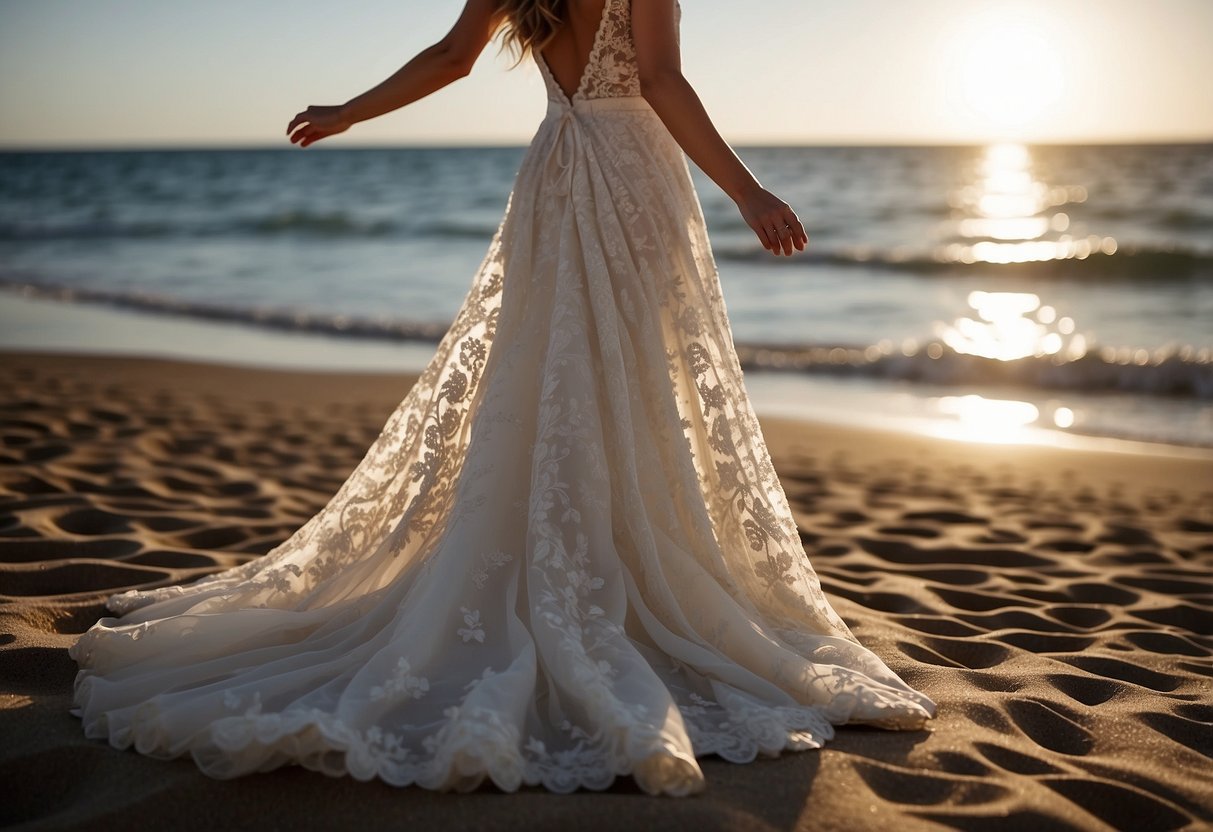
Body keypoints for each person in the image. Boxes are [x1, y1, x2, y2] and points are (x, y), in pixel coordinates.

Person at [69, 0, 936, 796]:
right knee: (623, 376)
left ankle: (580, 545)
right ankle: (610, 558)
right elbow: (661, 79)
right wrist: (748, 190)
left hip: (557, 173)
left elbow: (451, 58)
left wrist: (346, 112)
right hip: (631, 178)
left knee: (550, 365)